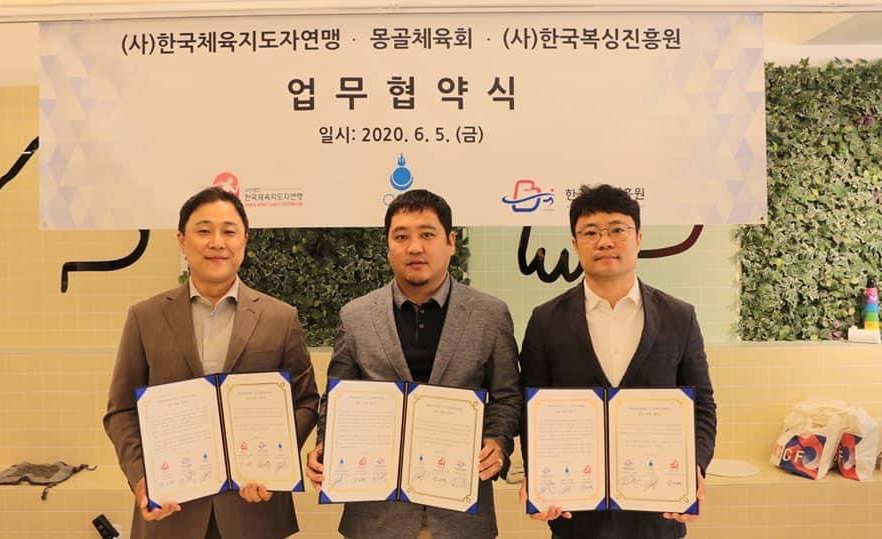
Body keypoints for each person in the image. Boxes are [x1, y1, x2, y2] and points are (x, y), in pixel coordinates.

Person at [103, 187, 319, 538]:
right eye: (204, 231)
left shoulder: (280, 318)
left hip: (255, 510)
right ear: (182, 241)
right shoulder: (145, 317)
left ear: (245, 240)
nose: (217, 242)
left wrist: (273, 463)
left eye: (229, 231)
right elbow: (121, 410)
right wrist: (142, 479)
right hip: (171, 511)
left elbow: (306, 400)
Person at [306, 189, 523, 538]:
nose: (415, 247)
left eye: (427, 234)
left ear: (450, 242)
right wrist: (325, 445)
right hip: (376, 516)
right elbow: (337, 399)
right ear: (387, 246)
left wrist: (497, 442)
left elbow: (507, 396)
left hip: (461, 514)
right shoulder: (356, 317)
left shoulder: (490, 315)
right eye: (401, 237)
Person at [519, 184, 717, 539]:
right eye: (590, 232)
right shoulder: (545, 320)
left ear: (638, 238)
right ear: (575, 243)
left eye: (617, 230)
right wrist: (537, 474)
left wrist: (695, 467)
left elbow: (702, 406)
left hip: (657, 515)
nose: (605, 242)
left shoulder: (679, 317)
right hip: (576, 517)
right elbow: (530, 408)